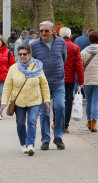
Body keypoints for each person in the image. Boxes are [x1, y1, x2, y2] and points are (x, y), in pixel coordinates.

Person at [0, 43, 51, 156]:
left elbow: (44, 85)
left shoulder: (37, 67)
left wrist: (46, 100)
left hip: (34, 100)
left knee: (32, 121)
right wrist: (4, 102)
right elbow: (7, 86)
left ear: (30, 54)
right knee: (21, 123)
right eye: (20, 54)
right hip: (19, 101)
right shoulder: (13, 68)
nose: (22, 56)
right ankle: (23, 144)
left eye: (25, 54)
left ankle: (30, 145)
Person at [29, 21, 68, 150]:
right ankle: (45, 139)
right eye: (41, 31)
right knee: (45, 112)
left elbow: (64, 58)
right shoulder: (34, 46)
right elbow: (32, 63)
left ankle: (58, 136)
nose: (43, 33)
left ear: (53, 31)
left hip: (58, 82)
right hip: (42, 84)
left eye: (46, 31)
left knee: (60, 107)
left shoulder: (61, 43)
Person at [59, 27, 85, 134]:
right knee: (68, 100)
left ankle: (56, 122)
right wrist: (81, 80)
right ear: (70, 36)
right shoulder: (75, 47)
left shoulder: (57, 46)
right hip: (70, 78)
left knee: (57, 101)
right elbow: (79, 65)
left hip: (57, 78)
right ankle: (65, 125)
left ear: (60, 36)